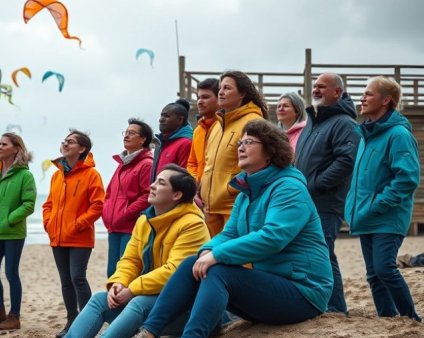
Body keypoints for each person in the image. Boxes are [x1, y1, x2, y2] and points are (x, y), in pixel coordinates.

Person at [135, 119, 333, 338]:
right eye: (240, 142)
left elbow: (273, 237)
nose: (240, 147)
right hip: (271, 286)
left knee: (219, 271)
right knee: (193, 262)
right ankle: (150, 332)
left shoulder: (289, 188)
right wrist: (207, 251)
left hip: (304, 292)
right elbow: (229, 234)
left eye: (248, 142)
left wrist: (217, 255)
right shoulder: (247, 191)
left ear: (270, 151)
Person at [65, 164, 210, 338]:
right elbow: (131, 260)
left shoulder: (192, 224)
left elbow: (174, 272)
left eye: (161, 183)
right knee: (99, 299)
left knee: (138, 302)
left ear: (176, 195)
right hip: (149, 297)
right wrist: (119, 283)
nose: (152, 186)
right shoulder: (145, 220)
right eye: (155, 181)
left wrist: (133, 289)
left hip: (182, 307)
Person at [345, 77, 421, 322]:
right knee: (373, 275)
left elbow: (407, 179)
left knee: (384, 269)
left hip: (387, 216)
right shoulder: (367, 134)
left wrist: (377, 204)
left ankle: (410, 319)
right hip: (367, 215)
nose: (362, 98)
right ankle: (387, 320)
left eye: (368, 94)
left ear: (386, 100)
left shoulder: (398, 134)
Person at [294, 72, 359, 314]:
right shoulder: (313, 120)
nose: (316, 90)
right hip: (306, 200)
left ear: (337, 93)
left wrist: (316, 184)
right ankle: (324, 303)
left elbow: (346, 161)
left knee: (323, 252)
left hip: (326, 202)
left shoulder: (344, 123)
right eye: (315, 86)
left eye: (323, 86)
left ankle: (335, 306)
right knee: (315, 252)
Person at [43, 130, 106, 337]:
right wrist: (48, 223)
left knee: (77, 277)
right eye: (65, 141)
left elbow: (98, 205)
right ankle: (72, 321)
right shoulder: (56, 175)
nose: (65, 144)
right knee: (65, 281)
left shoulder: (91, 174)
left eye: (71, 142)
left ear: (82, 149)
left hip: (80, 237)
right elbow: (49, 204)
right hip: (58, 236)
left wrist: (79, 223)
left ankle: (88, 321)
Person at [0, 132, 37, 330]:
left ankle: (14, 316)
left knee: (11, 273)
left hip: (13, 233)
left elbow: (29, 204)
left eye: (4, 144)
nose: (0, 147)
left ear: (16, 148)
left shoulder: (25, 175)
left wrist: (9, 220)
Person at [199, 70, 265, 237]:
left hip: (235, 208)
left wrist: (231, 189)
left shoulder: (253, 122)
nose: (220, 92)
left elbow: (257, 166)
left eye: (227, 88)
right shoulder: (215, 125)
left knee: (238, 261)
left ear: (242, 93)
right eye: (220, 88)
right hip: (210, 208)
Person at [102, 118, 154, 278]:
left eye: (132, 133)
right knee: (112, 272)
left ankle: (125, 303)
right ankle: (114, 303)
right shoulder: (122, 163)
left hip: (131, 227)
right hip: (114, 227)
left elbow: (147, 195)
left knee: (126, 273)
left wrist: (125, 213)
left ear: (143, 139)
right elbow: (109, 193)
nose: (126, 136)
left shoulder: (146, 164)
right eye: (126, 132)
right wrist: (107, 214)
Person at [150, 99, 193, 182]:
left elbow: (185, 179)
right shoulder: (160, 144)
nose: (161, 119)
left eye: (166, 116)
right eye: (161, 115)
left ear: (180, 120)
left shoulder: (186, 143)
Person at [187, 78, 220, 182]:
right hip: (199, 194)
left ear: (220, 98)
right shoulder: (198, 130)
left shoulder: (227, 127)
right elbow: (192, 163)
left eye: (205, 97)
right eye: (198, 97)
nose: (200, 102)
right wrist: (196, 181)